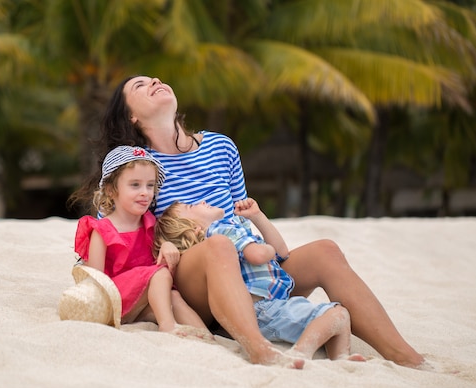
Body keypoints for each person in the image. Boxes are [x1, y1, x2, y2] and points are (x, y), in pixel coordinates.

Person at [74, 75, 425, 368]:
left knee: (326, 251)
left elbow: (242, 215)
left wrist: (262, 237)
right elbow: (117, 232)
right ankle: (258, 349)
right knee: (219, 245)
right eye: (140, 86)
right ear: (131, 117)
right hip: (196, 282)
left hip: (251, 273)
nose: (154, 81)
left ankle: (406, 357)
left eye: (156, 79)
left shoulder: (221, 147)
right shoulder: (136, 167)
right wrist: (160, 245)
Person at [155, 198, 367, 368]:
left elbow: (283, 252)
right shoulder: (222, 229)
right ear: (195, 230)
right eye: (192, 206)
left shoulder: (229, 230)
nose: (202, 201)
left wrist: (257, 217)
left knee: (337, 317)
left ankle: (340, 360)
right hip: (264, 308)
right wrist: (267, 250)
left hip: (266, 308)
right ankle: (301, 353)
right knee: (338, 313)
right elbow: (259, 255)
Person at [70, 145, 212, 340]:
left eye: (150, 185)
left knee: (174, 297)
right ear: (111, 190)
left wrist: (166, 244)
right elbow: (97, 281)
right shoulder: (102, 230)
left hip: (142, 300)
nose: (145, 192)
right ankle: (167, 326)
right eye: (135, 185)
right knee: (159, 272)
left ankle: (207, 337)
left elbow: (164, 247)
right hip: (114, 300)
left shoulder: (150, 223)